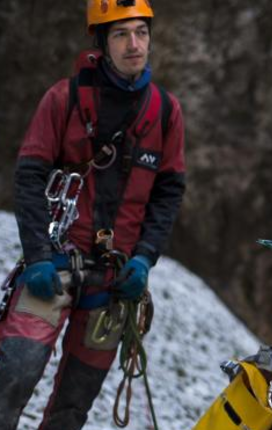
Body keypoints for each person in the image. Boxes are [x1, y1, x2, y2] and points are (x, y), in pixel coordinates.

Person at [0, 1, 185, 429]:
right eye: (121, 34)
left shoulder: (165, 112)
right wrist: (39, 256)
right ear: (102, 42)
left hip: (114, 279)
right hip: (55, 263)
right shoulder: (63, 99)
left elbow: (169, 192)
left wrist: (145, 257)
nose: (134, 44)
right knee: (12, 373)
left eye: (141, 32)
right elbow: (29, 177)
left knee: (73, 406)